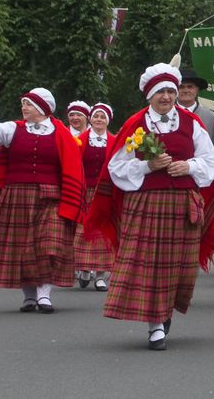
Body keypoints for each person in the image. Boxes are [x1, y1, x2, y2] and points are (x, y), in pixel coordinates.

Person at [85, 64, 214, 350]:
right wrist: (147, 166)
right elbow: (116, 167)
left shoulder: (191, 123)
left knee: (178, 266)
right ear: (149, 95)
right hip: (146, 204)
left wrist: (189, 166)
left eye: (170, 91)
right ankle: (155, 324)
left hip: (182, 205)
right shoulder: (135, 124)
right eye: (160, 91)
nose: (166, 97)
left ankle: (164, 311)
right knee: (149, 265)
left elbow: (210, 162)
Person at [0, 88, 84, 313]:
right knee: (23, 247)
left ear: (41, 108)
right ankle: (29, 296)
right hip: (17, 195)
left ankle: (44, 295)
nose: (24, 107)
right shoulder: (12, 129)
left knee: (48, 245)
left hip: (52, 196)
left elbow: (73, 165)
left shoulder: (61, 133)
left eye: (28, 104)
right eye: (23, 104)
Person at [74, 102, 116, 292]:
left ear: (108, 120)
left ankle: (100, 275)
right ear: (90, 119)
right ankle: (84, 268)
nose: (99, 120)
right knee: (83, 231)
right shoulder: (80, 140)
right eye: (96, 116)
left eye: (102, 117)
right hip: (85, 192)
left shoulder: (114, 141)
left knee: (103, 233)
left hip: (105, 193)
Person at [178, 67, 214, 146]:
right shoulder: (166, 114)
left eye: (190, 87)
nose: (185, 90)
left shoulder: (211, 117)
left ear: (197, 89)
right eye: (181, 87)